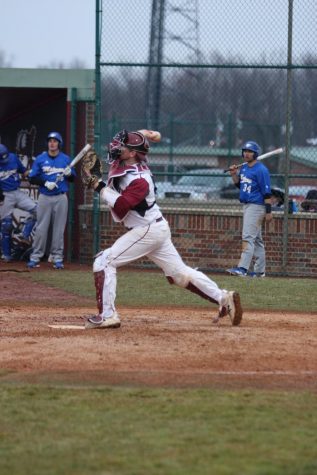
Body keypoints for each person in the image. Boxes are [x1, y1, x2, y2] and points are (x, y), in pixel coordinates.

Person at [83, 129, 243, 329]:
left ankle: (108, 315)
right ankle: (223, 298)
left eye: (122, 146)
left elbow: (122, 205)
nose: (116, 148)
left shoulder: (140, 181)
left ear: (133, 153)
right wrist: (146, 134)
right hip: (155, 227)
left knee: (104, 261)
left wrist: (97, 185)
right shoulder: (127, 160)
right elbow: (133, 140)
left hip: (147, 230)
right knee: (179, 274)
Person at [27, 132, 75, 269]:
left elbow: (73, 179)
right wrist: (45, 182)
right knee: (41, 228)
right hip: (45, 197)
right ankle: (35, 257)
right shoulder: (41, 159)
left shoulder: (65, 159)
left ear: (59, 143)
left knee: (59, 229)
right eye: (50, 141)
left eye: (55, 141)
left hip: (60, 197)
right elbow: (32, 177)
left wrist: (69, 173)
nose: (52, 143)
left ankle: (57, 258)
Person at [226, 140, 273, 278]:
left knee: (247, 237)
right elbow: (241, 187)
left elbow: (267, 192)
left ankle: (242, 268)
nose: (246, 154)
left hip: (257, 206)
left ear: (255, 154)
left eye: (250, 152)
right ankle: (259, 272)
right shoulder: (245, 168)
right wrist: (234, 174)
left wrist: (269, 211)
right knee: (257, 240)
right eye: (245, 151)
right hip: (247, 205)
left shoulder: (261, 170)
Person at [0, 143, 37, 262]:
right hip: (5, 195)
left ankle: (24, 234)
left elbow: (24, 171)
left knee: (38, 211)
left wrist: (33, 174)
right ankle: (7, 255)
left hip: (17, 192)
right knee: (6, 225)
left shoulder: (12, 157)